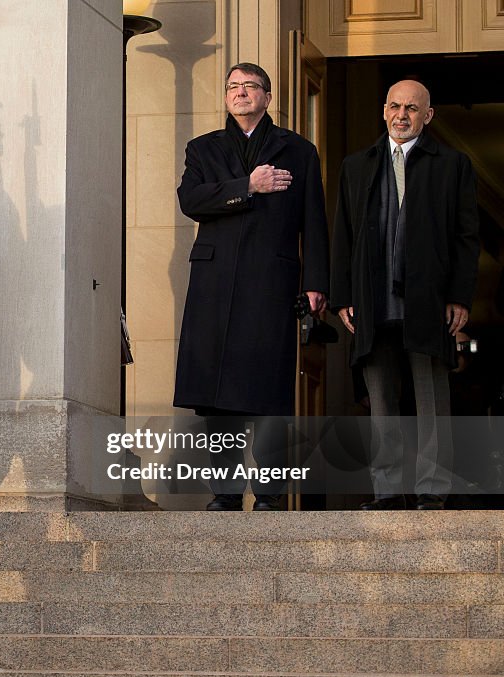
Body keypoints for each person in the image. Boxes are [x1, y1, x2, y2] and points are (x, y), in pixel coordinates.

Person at [173, 62, 329, 512]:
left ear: (268, 96)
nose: (240, 93)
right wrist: (248, 186)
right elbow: (191, 200)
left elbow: (313, 221)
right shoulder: (203, 149)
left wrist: (316, 282)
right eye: (233, 87)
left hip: (271, 282)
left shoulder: (299, 151)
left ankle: (270, 494)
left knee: (269, 391)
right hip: (214, 284)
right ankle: (223, 493)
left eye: (250, 87)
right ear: (226, 97)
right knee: (217, 398)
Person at [330, 79, 479, 511]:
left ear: (427, 115)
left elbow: (466, 237)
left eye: (412, 109)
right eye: (395, 107)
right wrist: (344, 296)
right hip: (373, 302)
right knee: (380, 399)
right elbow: (343, 234)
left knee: (432, 397)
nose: (402, 115)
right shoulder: (358, 165)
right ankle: (388, 490)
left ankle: (432, 489)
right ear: (383, 110)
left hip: (428, 300)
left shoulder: (453, 164)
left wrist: (460, 297)